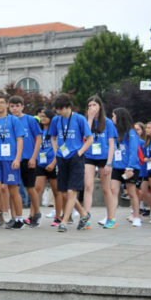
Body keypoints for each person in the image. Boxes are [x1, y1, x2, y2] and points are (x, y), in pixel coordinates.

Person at [48, 93, 93, 232]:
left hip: (75, 158)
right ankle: (84, 214)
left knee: (71, 191)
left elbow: (89, 139)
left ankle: (64, 222)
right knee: (64, 193)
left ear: (68, 107)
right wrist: (57, 153)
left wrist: (79, 153)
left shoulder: (79, 119)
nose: (58, 112)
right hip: (62, 158)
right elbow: (53, 138)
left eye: (61, 109)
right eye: (57, 109)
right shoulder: (56, 120)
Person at [0, 95, 25, 230]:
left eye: (1, 103)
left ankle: (19, 218)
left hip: (10, 160)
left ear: (6, 105)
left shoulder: (13, 120)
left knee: (13, 190)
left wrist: (17, 158)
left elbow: (20, 139)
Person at [82, 96, 117, 228]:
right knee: (88, 186)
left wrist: (109, 163)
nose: (92, 108)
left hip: (103, 157)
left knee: (106, 189)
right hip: (89, 156)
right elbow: (85, 138)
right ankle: (86, 217)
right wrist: (90, 119)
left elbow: (111, 144)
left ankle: (111, 218)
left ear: (100, 107)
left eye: (94, 105)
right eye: (89, 105)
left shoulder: (107, 122)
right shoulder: (85, 121)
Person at [8, 96, 42, 227]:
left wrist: (34, 157)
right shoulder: (8, 121)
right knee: (13, 189)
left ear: (22, 106)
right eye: (12, 106)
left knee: (30, 187)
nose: (15, 108)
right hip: (12, 159)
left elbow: (38, 139)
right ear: (9, 108)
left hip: (28, 159)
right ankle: (15, 217)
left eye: (17, 106)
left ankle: (36, 212)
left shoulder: (30, 120)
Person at [107, 108, 142, 227]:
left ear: (119, 117)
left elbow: (133, 150)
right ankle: (111, 217)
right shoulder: (115, 131)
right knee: (113, 191)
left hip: (129, 168)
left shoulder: (131, 132)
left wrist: (130, 167)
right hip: (117, 167)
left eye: (114, 116)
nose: (112, 118)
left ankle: (137, 217)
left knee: (132, 193)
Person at [35, 108, 63, 227]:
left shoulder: (54, 132)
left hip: (53, 164)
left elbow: (59, 148)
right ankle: (35, 215)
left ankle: (58, 217)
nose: (43, 118)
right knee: (37, 190)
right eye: (41, 116)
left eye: (45, 116)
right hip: (40, 164)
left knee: (57, 192)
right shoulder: (39, 131)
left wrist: (53, 163)